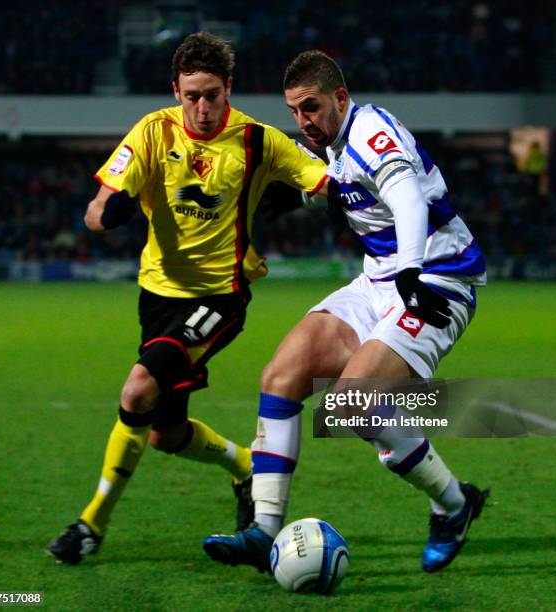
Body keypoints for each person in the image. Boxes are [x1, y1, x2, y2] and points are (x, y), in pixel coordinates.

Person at [203, 50, 489, 574]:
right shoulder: (329, 146)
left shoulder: (371, 129)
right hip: (379, 279)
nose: (302, 121)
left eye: (310, 107)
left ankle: (454, 505)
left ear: (339, 98)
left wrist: (410, 268)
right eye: (294, 110)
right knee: (282, 374)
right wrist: (296, 200)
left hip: (438, 278)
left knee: (352, 405)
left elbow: (405, 196)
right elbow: (347, 188)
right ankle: (264, 529)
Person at [46, 33, 327, 565]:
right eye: (191, 95)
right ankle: (245, 466)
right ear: (175, 90)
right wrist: (112, 212)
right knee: (165, 435)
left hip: (220, 297)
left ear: (229, 90)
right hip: (157, 296)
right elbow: (97, 205)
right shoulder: (153, 132)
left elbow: (324, 178)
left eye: (213, 95)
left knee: (137, 390)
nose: (201, 107)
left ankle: (90, 525)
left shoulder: (258, 140)